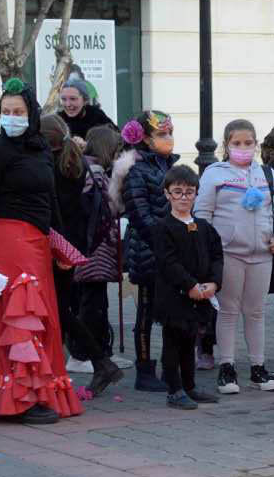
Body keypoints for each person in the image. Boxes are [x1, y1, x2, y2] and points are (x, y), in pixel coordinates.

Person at [0, 80, 78, 423]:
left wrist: (61, 246)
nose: (11, 117)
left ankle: (38, 391)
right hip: (7, 239)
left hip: (38, 242)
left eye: (18, 112)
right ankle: (22, 398)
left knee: (38, 316)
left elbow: (49, 200)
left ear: (32, 114)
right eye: (5, 112)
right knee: (20, 313)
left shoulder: (39, 147)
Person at [196, 119, 274, 394]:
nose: (243, 148)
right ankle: (227, 368)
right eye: (237, 143)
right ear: (226, 145)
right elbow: (203, 215)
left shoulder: (268, 175)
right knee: (228, 312)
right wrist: (210, 251)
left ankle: (258, 368)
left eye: (248, 143)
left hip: (262, 254)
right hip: (228, 254)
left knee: (256, 311)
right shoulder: (214, 173)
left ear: (256, 144)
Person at [41, 114, 122, 396]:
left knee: (60, 310)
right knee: (62, 309)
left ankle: (100, 363)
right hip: (72, 246)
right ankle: (101, 363)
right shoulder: (75, 163)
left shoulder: (49, 166)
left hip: (54, 246)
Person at [149, 164, 224, 409]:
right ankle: (174, 388)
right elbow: (168, 262)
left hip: (199, 295)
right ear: (167, 194)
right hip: (174, 296)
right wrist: (189, 284)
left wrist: (213, 282)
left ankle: (189, 385)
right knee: (173, 342)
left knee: (190, 340)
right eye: (178, 192)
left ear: (196, 194)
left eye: (189, 192)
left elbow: (216, 256)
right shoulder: (163, 228)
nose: (184, 197)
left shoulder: (204, 227)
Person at [121, 111, 177, 392]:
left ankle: (171, 367)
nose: (168, 139)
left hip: (173, 250)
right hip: (147, 249)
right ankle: (144, 371)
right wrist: (162, 241)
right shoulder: (136, 168)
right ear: (143, 137)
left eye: (170, 133)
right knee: (146, 311)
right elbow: (139, 211)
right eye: (161, 134)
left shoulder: (173, 166)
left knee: (172, 311)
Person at [73, 128, 125, 393]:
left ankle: (96, 354)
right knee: (92, 305)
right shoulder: (95, 174)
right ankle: (89, 355)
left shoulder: (85, 170)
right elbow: (107, 209)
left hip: (90, 250)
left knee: (94, 303)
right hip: (96, 251)